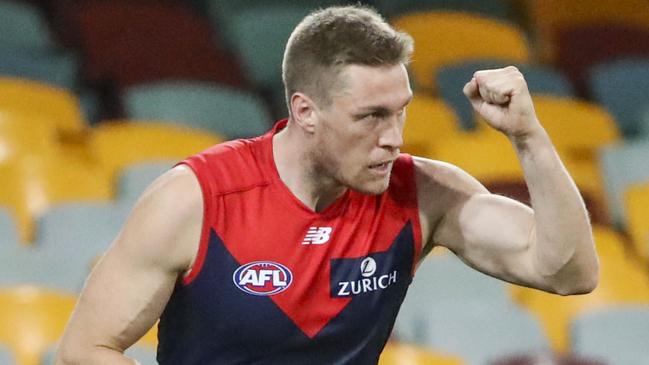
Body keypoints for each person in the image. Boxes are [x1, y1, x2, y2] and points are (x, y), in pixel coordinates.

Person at [56, 5, 599, 365]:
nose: (393, 138)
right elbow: (85, 349)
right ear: (305, 111)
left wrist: (529, 137)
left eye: (400, 113)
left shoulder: (421, 194)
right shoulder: (198, 199)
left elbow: (569, 272)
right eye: (370, 116)